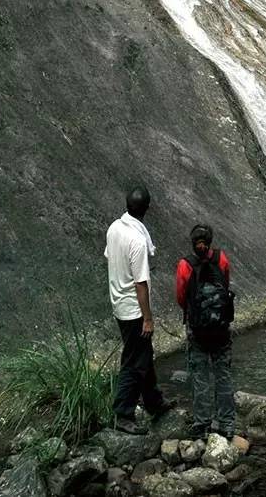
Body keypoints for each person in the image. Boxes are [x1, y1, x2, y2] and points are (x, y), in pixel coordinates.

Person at [104, 183, 171, 434]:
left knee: (143, 354)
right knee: (134, 361)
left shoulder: (115, 228)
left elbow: (110, 257)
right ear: (147, 209)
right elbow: (140, 283)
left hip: (119, 302)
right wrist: (148, 318)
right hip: (134, 309)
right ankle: (123, 413)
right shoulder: (138, 241)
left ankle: (154, 401)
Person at [175, 223, 236, 439]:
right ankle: (227, 424)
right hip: (220, 328)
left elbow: (182, 297)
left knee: (200, 375)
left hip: (198, 330)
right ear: (210, 242)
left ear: (193, 244)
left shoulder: (185, 265)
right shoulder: (221, 258)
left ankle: (202, 424)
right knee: (223, 375)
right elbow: (225, 285)